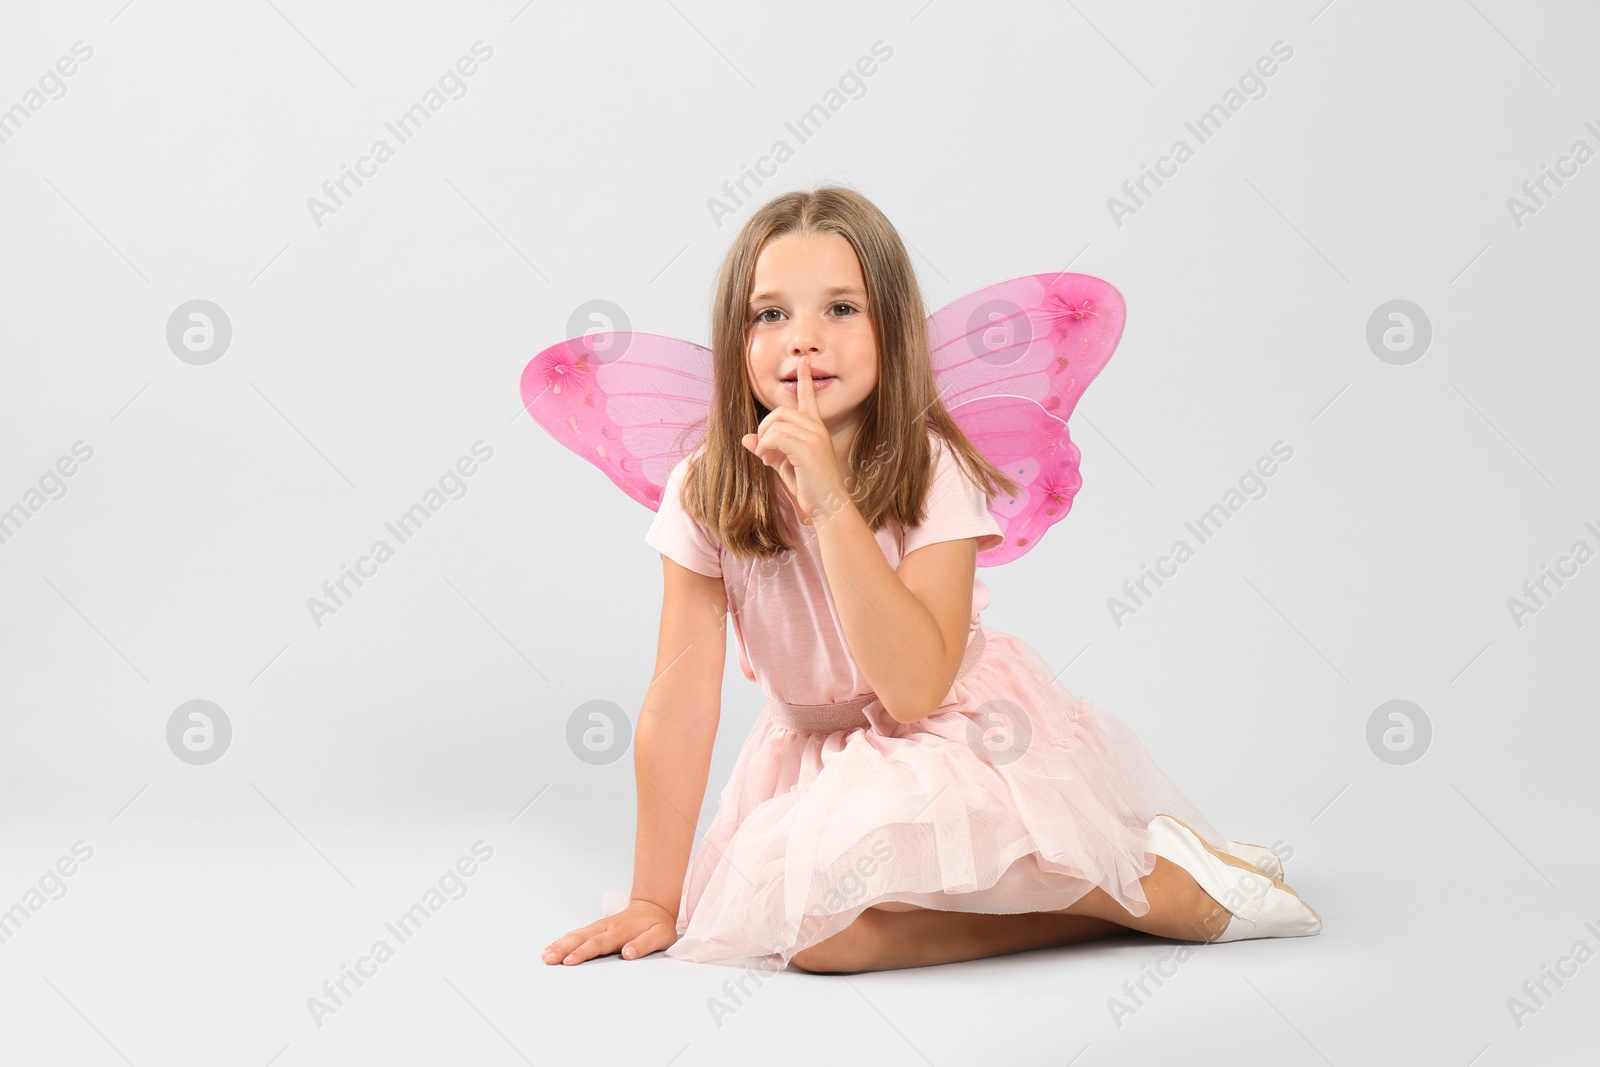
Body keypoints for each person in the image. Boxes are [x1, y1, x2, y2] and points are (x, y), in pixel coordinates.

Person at [541, 186, 1320, 974]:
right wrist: (653, 897)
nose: (802, 341)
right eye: (770, 314)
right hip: (817, 754)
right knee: (818, 938)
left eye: (840, 309)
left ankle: (1155, 884)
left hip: (953, 732)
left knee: (925, 844)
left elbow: (913, 687)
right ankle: (1110, 903)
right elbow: (680, 701)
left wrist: (832, 503)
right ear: (737, 340)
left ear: (893, 333)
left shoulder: (930, 466)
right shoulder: (705, 487)